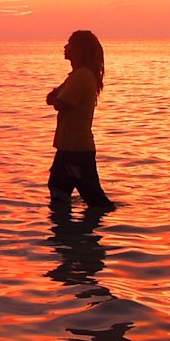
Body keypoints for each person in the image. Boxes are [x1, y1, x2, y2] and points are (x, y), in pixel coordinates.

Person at [46, 29, 115, 210]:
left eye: (69, 43)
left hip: (77, 149)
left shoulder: (82, 76)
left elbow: (60, 102)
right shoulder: (76, 76)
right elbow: (51, 98)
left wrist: (56, 98)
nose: (65, 47)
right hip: (68, 147)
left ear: (79, 49)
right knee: (57, 188)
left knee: (95, 199)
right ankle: (65, 234)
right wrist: (56, 97)